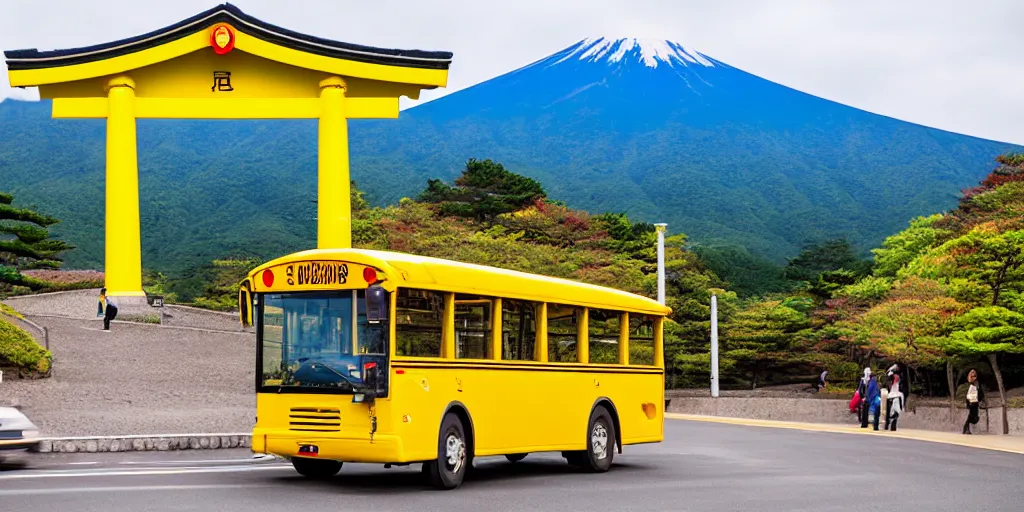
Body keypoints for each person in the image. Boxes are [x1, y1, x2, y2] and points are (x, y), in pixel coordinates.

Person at [962, 368, 985, 435]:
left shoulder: (977, 383)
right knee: (971, 415)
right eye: (972, 376)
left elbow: (980, 391)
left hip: (976, 401)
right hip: (970, 401)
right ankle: (966, 428)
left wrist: (980, 398)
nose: (974, 377)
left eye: (975, 376)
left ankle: (966, 428)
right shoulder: (968, 384)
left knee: (974, 416)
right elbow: (966, 394)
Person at [884, 364, 904, 431]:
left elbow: (887, 378)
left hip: (893, 396)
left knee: (892, 412)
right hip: (895, 396)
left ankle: (889, 425)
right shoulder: (896, 377)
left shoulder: (894, 377)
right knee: (894, 412)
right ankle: (890, 425)